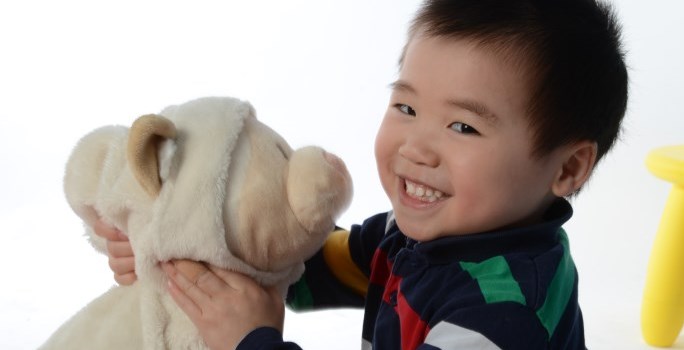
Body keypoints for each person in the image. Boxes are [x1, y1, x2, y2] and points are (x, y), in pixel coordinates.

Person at [96, 0, 628, 348]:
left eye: (463, 127)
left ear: (568, 167)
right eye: (407, 107)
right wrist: (187, 253)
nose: (416, 147)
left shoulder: (501, 317)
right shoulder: (422, 234)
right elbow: (303, 267)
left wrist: (251, 342)